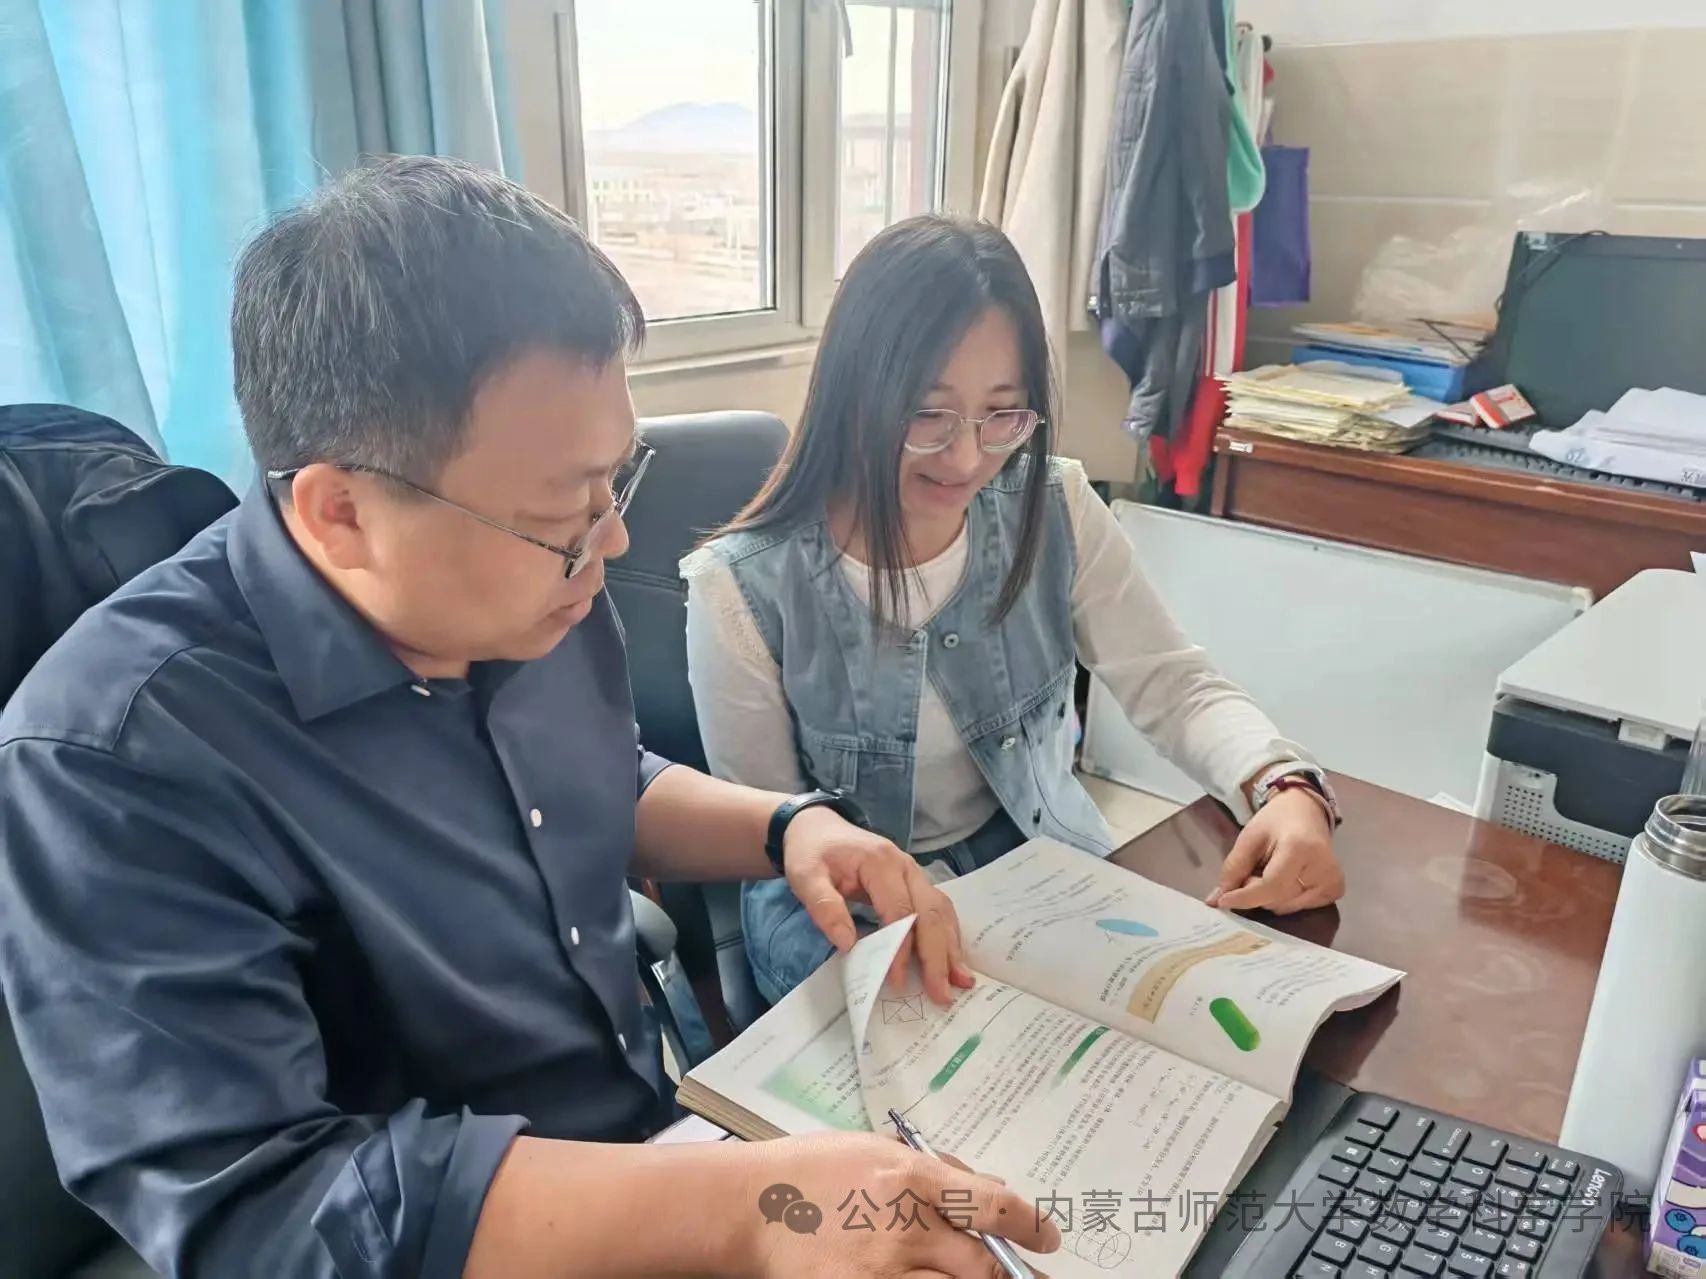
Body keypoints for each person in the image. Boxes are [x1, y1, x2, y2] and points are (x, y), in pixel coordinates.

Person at [0, 159, 1062, 1279]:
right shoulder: (110, 758)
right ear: (341, 510)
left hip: (655, 1146)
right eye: (563, 511)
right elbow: (266, 1214)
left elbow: (597, 776)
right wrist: (747, 1209)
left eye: (615, 483)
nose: (610, 541)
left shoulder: (531, 584)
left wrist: (788, 826)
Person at [683, 215, 1346, 1006]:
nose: (966, 456)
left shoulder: (1053, 504)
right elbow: (776, 840)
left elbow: (1172, 685)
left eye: (1002, 414)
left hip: (1041, 877)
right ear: (853, 394)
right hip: (848, 917)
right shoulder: (740, 587)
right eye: (926, 414)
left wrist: (1282, 785)